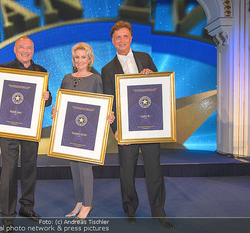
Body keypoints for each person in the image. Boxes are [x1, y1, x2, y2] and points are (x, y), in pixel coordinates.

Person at [101, 21, 174, 229]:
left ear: (131, 38)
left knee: (154, 170)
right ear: (112, 41)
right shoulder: (107, 69)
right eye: (117, 38)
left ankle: (159, 211)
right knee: (126, 172)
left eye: (125, 36)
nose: (121, 40)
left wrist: (151, 75)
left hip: (150, 125)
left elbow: (160, 87)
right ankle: (129, 207)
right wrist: (115, 131)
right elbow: (110, 101)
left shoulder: (145, 58)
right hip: (125, 129)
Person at [0, 37, 52, 232]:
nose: (25, 51)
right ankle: (7, 216)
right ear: (14, 49)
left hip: (30, 130)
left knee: (30, 169)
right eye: (21, 47)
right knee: (9, 171)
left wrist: (48, 97)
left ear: (33, 50)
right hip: (8, 129)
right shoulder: (3, 69)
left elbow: (45, 99)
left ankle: (27, 208)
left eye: (29, 48)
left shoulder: (41, 71)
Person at [51, 42, 114, 220]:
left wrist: (108, 116)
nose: (80, 60)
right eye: (77, 57)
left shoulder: (96, 79)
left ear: (89, 59)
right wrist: (55, 112)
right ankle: (78, 201)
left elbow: (102, 104)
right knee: (74, 167)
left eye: (83, 57)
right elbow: (61, 102)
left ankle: (87, 204)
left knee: (85, 167)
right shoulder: (66, 78)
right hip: (70, 131)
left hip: (88, 131)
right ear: (73, 59)